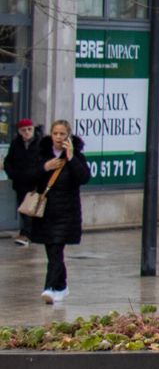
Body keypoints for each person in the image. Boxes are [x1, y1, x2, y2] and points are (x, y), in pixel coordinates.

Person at [26, 120, 88, 303]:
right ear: (51, 135)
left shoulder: (75, 155)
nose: (58, 137)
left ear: (68, 136)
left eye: (62, 134)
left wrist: (71, 158)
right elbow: (27, 176)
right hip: (46, 211)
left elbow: (84, 177)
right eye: (55, 133)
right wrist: (45, 168)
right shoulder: (42, 154)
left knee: (56, 249)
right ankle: (61, 287)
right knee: (52, 251)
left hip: (67, 212)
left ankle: (50, 288)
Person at [6, 118, 44, 247]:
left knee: (32, 209)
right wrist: (13, 174)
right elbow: (8, 161)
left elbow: (44, 163)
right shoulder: (16, 144)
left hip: (35, 183)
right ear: (19, 131)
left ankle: (27, 234)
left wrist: (38, 176)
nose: (27, 132)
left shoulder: (41, 143)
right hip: (20, 182)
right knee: (23, 209)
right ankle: (27, 233)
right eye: (24, 130)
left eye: (29, 129)